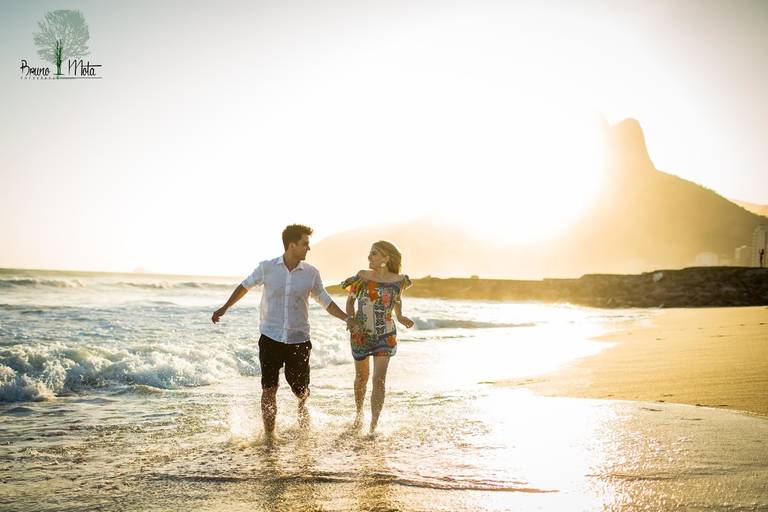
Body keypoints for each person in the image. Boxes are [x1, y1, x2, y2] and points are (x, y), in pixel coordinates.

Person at [212, 224, 353, 440]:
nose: (308, 248)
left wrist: (346, 318)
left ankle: (302, 405)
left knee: (300, 390)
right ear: (292, 245)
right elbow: (244, 286)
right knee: (269, 388)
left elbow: (325, 300)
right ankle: (270, 436)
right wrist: (224, 307)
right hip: (270, 337)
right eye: (305, 243)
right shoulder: (266, 268)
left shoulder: (311, 273)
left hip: (298, 340)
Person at [341, 241, 414, 433]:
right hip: (361, 334)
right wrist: (351, 320)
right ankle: (359, 414)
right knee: (361, 378)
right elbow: (350, 303)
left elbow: (396, 298)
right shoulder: (362, 277)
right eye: (370, 253)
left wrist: (400, 316)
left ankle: (373, 426)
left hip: (386, 336)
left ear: (385, 258)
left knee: (379, 380)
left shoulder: (399, 280)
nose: (369, 257)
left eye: (374, 254)